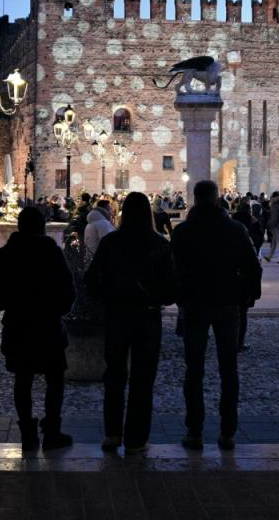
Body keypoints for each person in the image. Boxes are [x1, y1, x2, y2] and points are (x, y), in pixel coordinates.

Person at [170, 180, 262, 451]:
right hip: (227, 304)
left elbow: (172, 269)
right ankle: (227, 432)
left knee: (194, 370)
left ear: (196, 200)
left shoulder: (183, 232)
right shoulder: (235, 229)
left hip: (195, 305)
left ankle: (195, 432)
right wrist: (246, 296)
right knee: (228, 369)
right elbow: (252, 267)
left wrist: (180, 298)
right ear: (218, 198)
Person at [84, 192, 177, 455]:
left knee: (114, 375)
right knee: (143, 379)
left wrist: (109, 297)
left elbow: (92, 281)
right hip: (147, 316)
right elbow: (172, 288)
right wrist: (157, 297)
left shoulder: (111, 242)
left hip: (117, 314)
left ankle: (112, 434)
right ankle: (137, 439)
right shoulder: (159, 244)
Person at [0, 206, 75, 453]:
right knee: (55, 378)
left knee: (22, 381)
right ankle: (52, 432)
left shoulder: (6, 254)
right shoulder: (52, 253)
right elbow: (68, 290)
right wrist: (56, 310)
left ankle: (28, 435)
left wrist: (11, 304)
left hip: (18, 326)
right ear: (42, 227)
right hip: (48, 327)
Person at [231, 200, 266, 353]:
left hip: (231, 272)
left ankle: (229, 340)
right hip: (245, 272)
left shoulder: (231, 225)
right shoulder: (254, 224)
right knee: (242, 311)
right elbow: (257, 245)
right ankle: (239, 342)